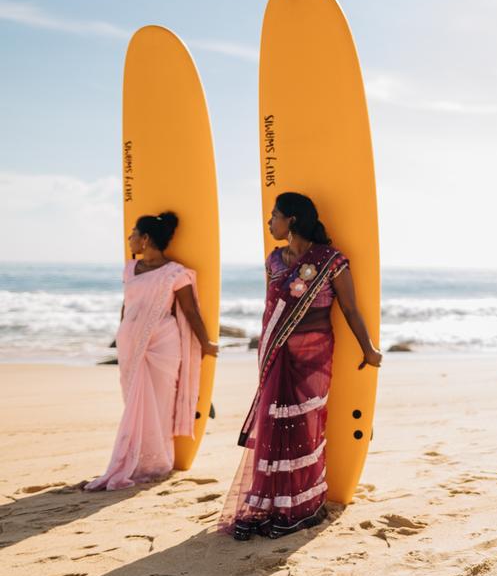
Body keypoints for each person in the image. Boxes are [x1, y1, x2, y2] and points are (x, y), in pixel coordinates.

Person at [219, 192, 382, 539]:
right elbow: (270, 311)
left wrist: (368, 349)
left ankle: (300, 504)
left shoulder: (331, 260)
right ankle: (269, 503)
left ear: (291, 220)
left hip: (312, 358)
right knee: (272, 426)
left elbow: (350, 309)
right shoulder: (274, 261)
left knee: (304, 428)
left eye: (274, 215)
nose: (269, 222)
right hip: (275, 355)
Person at [86, 212, 218, 491]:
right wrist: (120, 334)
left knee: (159, 404)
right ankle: (136, 459)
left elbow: (190, 311)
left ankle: (155, 463)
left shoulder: (175, 273)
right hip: (130, 344)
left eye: (133, 233)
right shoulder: (129, 268)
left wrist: (205, 343)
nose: (130, 238)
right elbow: (127, 306)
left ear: (145, 239)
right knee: (132, 402)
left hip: (162, 346)